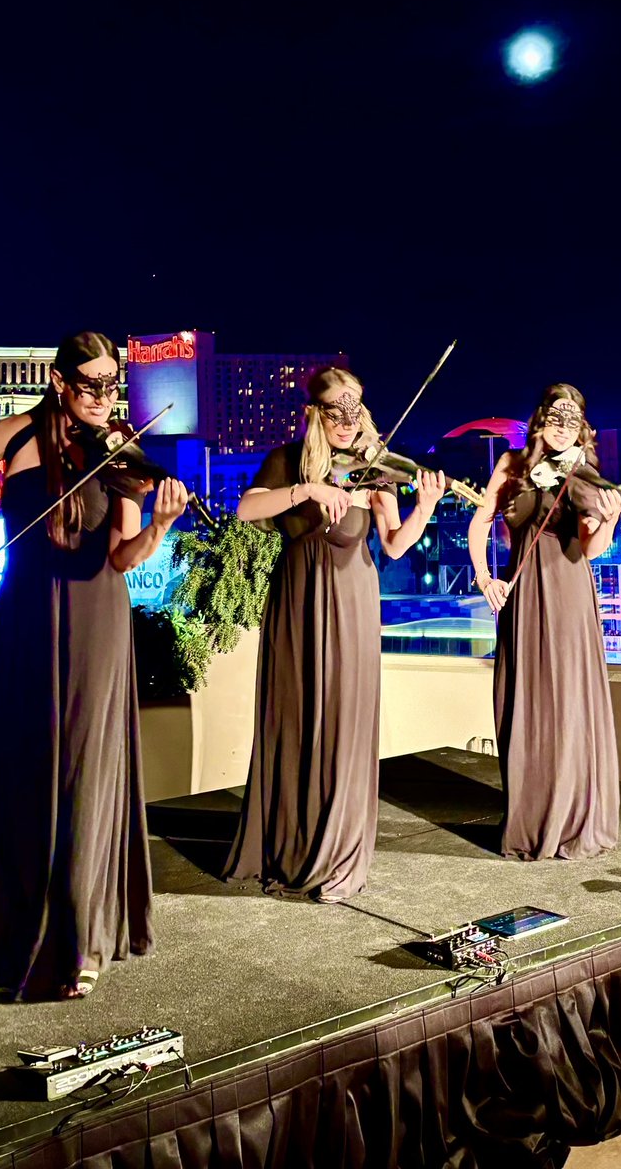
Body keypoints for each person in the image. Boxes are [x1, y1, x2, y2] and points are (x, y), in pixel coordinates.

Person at [0, 332, 188, 999]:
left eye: (112, 385)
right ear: (60, 382)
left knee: (84, 773)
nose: (103, 398)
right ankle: (16, 929)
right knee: (25, 768)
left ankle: (81, 939)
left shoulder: (120, 450)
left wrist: (159, 527)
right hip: (26, 618)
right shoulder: (17, 434)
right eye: (90, 385)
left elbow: (122, 556)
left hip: (96, 621)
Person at [224, 367, 447, 901]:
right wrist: (307, 490)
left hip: (351, 601)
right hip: (297, 600)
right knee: (297, 717)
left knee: (345, 720)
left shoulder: (374, 469)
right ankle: (292, 843)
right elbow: (247, 508)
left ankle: (340, 854)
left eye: (355, 411)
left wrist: (425, 507)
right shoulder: (287, 460)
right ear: (314, 414)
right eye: (335, 412)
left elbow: (395, 544)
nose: (347, 422)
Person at [467, 383, 621, 860]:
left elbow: (591, 549)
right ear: (540, 419)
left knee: (569, 702)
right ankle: (532, 815)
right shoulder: (512, 465)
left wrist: (609, 522)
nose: (563, 428)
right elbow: (480, 522)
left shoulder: (583, 473)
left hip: (569, 595)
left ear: (582, 428)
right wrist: (485, 577)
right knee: (525, 701)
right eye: (556, 417)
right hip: (523, 596)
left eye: (573, 421)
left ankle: (572, 816)